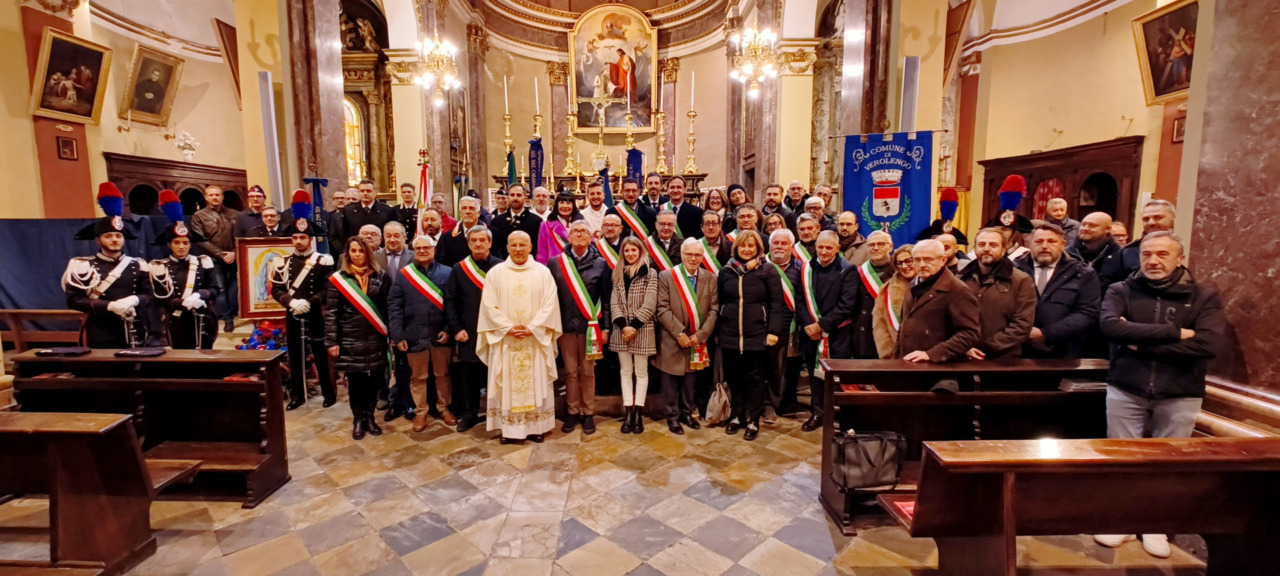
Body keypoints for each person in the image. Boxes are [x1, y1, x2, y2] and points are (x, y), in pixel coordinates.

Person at [1094, 231, 1224, 558]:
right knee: (1121, 458)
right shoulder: (1121, 289)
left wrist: (1139, 342)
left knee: (1168, 463)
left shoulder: (1204, 296)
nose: (1153, 260)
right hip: (1127, 386)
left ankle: (1156, 525)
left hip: (1180, 390)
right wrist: (1174, 334)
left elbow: (1208, 344)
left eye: (1163, 254)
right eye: (1147, 253)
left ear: (1180, 259)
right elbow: (1110, 327)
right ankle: (1121, 522)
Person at [477, 231, 562, 444]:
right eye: (513, 245)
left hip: (534, 339)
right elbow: (488, 305)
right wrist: (507, 327)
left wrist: (533, 327)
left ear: (530, 247)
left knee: (535, 381)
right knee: (506, 383)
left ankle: (536, 427)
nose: (517, 249)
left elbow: (550, 304)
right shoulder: (495, 274)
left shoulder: (543, 273)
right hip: (506, 339)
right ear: (507, 248)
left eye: (522, 245)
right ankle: (509, 430)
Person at [64, 183, 159, 348]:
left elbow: (149, 295)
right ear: (98, 240)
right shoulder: (82, 265)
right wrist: (109, 305)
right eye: (108, 236)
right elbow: (74, 300)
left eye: (118, 236)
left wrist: (134, 299)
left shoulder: (138, 264)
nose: (114, 239)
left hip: (134, 329)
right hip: (99, 330)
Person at [718, 230, 789, 441]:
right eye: (743, 246)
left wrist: (773, 331)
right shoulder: (726, 271)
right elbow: (721, 302)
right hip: (730, 334)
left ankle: (753, 420)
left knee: (755, 379)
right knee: (734, 378)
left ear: (758, 248)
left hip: (757, 335)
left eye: (751, 246)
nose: (747, 249)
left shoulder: (768, 270)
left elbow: (777, 304)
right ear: (736, 248)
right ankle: (736, 415)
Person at [271, 191, 337, 410]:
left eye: (303, 237)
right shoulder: (282, 262)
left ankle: (329, 392)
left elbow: (329, 286)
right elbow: (276, 289)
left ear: (310, 239)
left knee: (320, 354)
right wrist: (290, 302)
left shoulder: (323, 260)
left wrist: (313, 301)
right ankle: (298, 395)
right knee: (296, 355)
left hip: (315, 313)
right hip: (292, 313)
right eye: (295, 238)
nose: (299, 241)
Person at [325, 236, 391, 440]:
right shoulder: (339, 279)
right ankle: (358, 420)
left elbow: (387, 309)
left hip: (375, 337)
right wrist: (332, 341)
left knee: (375, 382)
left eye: (361, 251)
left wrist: (391, 336)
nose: (358, 255)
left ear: (368, 253)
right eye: (353, 251)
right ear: (348, 254)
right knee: (355, 383)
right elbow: (332, 312)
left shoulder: (381, 276)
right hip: (349, 338)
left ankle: (370, 418)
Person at [549, 221, 612, 435]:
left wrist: (605, 328)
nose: (579, 234)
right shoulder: (556, 263)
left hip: (590, 329)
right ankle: (572, 412)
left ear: (590, 236)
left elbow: (606, 299)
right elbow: (551, 298)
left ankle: (588, 413)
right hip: (565, 327)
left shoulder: (601, 264)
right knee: (570, 373)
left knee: (587, 372)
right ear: (568, 235)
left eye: (584, 231)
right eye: (575, 231)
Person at [388, 234, 455, 432]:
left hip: (440, 335)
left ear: (434, 250)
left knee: (442, 374)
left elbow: (453, 305)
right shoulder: (404, 274)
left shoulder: (447, 272)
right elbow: (394, 305)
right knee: (418, 377)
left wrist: (449, 329)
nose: (423, 251)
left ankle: (444, 408)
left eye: (427, 248)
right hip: (414, 335)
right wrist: (398, 335)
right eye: (418, 249)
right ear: (413, 251)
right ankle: (421, 412)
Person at [655, 238, 718, 435]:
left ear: (702, 256)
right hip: (672, 338)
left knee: (691, 379)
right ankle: (672, 416)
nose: (693, 258)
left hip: (697, 341)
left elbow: (714, 309)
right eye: (689, 254)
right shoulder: (666, 276)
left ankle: (687, 413)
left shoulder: (710, 278)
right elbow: (662, 308)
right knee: (670, 380)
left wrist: (701, 335)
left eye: (697, 255)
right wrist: (679, 333)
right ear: (682, 255)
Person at [796, 231, 856, 432]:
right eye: (820, 247)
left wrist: (821, 326)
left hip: (837, 334)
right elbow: (800, 300)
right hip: (811, 333)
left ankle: (837, 413)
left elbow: (847, 305)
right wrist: (809, 326)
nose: (823, 251)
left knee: (835, 377)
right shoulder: (806, 269)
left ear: (837, 249)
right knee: (814, 376)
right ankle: (818, 413)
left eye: (829, 247)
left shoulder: (848, 270)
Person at [444, 226, 503, 432]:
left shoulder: (502, 267)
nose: (478, 244)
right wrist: (456, 328)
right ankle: (470, 413)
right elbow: (450, 301)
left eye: (482, 240)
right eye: (473, 240)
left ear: (489, 243)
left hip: (496, 332)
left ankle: (498, 413)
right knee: (470, 374)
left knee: (496, 374)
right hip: (469, 331)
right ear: (468, 244)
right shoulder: (459, 269)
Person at [1015, 223, 1101, 358]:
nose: (1044, 246)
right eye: (1038, 241)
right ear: (1029, 244)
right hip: (1017, 351)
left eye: (1051, 241)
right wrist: (1024, 333)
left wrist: (1046, 334)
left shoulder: (1082, 273)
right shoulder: (1013, 270)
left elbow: (1087, 313)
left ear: (1063, 244)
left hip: (1063, 352)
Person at [150, 190, 221, 350]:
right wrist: (181, 303)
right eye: (176, 242)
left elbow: (215, 288)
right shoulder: (160, 266)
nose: (181, 246)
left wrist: (200, 295)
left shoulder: (203, 262)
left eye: (185, 242)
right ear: (169, 245)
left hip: (204, 318)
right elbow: (159, 297)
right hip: (178, 320)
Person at [896, 240, 980, 365]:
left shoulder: (957, 289)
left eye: (928, 259)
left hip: (938, 368)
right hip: (908, 363)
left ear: (942, 260)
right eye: (917, 260)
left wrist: (931, 354)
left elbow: (969, 333)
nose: (922, 264)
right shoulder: (914, 284)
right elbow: (904, 326)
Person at [958, 228, 1036, 360]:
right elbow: (948, 318)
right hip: (963, 356)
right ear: (974, 248)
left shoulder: (1021, 280)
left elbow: (1022, 325)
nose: (987, 249)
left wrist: (986, 347)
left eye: (993, 245)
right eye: (982, 244)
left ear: (1003, 249)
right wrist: (963, 347)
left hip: (1004, 359)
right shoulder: (960, 279)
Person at [610, 236, 659, 434]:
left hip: (642, 328)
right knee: (624, 371)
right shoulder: (618, 273)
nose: (630, 254)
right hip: (621, 331)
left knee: (641, 372)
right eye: (627, 251)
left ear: (641, 252)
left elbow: (650, 303)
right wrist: (623, 326)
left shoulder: (650, 273)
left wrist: (634, 326)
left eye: (634, 250)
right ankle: (628, 411)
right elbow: (614, 302)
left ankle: (638, 412)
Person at [190, 185, 241, 332]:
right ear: (206, 197)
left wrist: (234, 253)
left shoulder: (235, 214)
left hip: (234, 256)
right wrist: (221, 254)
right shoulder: (199, 216)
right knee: (221, 288)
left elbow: (241, 236)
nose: (214, 197)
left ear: (222, 197)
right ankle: (227, 318)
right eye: (211, 195)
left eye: (217, 195)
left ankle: (234, 313)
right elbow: (200, 239)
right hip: (214, 259)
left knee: (234, 287)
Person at [765, 229, 804, 422]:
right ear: (769, 245)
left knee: (786, 368)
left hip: (790, 327)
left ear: (791, 246)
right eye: (776, 243)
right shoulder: (761, 265)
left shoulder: (801, 268)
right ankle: (764, 404)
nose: (779, 247)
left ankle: (781, 403)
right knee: (765, 368)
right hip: (765, 326)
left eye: (783, 243)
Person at [379, 220, 414, 421]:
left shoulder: (413, 257)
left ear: (404, 237)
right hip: (380, 318)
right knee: (386, 364)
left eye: (397, 235)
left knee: (404, 364)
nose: (392, 239)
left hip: (405, 318)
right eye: (388, 235)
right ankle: (391, 400)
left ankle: (407, 402)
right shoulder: (374, 258)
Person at [851, 231, 896, 358]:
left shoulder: (900, 272)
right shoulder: (857, 272)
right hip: (864, 336)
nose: (876, 248)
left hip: (889, 334)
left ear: (890, 247)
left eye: (881, 244)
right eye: (871, 245)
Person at [872, 245, 916, 358]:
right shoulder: (887, 290)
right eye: (899, 263)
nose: (904, 266)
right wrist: (887, 354)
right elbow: (880, 325)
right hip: (896, 354)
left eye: (908, 261)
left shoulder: (932, 285)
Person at [1069, 211, 1126, 289]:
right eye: (1083, 224)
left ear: (1107, 229)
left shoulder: (1121, 255)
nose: (1085, 228)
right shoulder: (1068, 253)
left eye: (1092, 225)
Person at [1120, 199, 1176, 277]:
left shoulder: (1189, 249)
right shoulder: (1128, 252)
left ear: (1174, 219)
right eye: (1146, 219)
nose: (1151, 223)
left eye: (1158, 217)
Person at [490, 184, 541, 260]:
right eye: (512, 195)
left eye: (519, 195)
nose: (515, 198)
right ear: (508, 197)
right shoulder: (497, 221)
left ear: (525, 198)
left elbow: (538, 248)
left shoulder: (536, 221)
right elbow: (494, 249)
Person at [537, 192, 583, 264]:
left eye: (568, 203)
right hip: (555, 268)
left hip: (578, 268)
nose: (565, 206)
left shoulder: (582, 224)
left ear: (573, 206)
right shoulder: (545, 226)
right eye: (561, 202)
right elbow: (542, 254)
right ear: (556, 205)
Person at [438, 196, 483, 267]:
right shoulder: (448, 237)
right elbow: (443, 264)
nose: (467, 212)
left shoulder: (494, 234)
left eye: (471, 208)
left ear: (478, 213)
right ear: (460, 213)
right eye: (464, 208)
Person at [328, 188, 354, 256]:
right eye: (337, 198)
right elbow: (332, 237)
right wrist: (342, 250)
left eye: (342, 198)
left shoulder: (355, 214)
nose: (340, 200)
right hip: (338, 253)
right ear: (333, 200)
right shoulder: (329, 216)